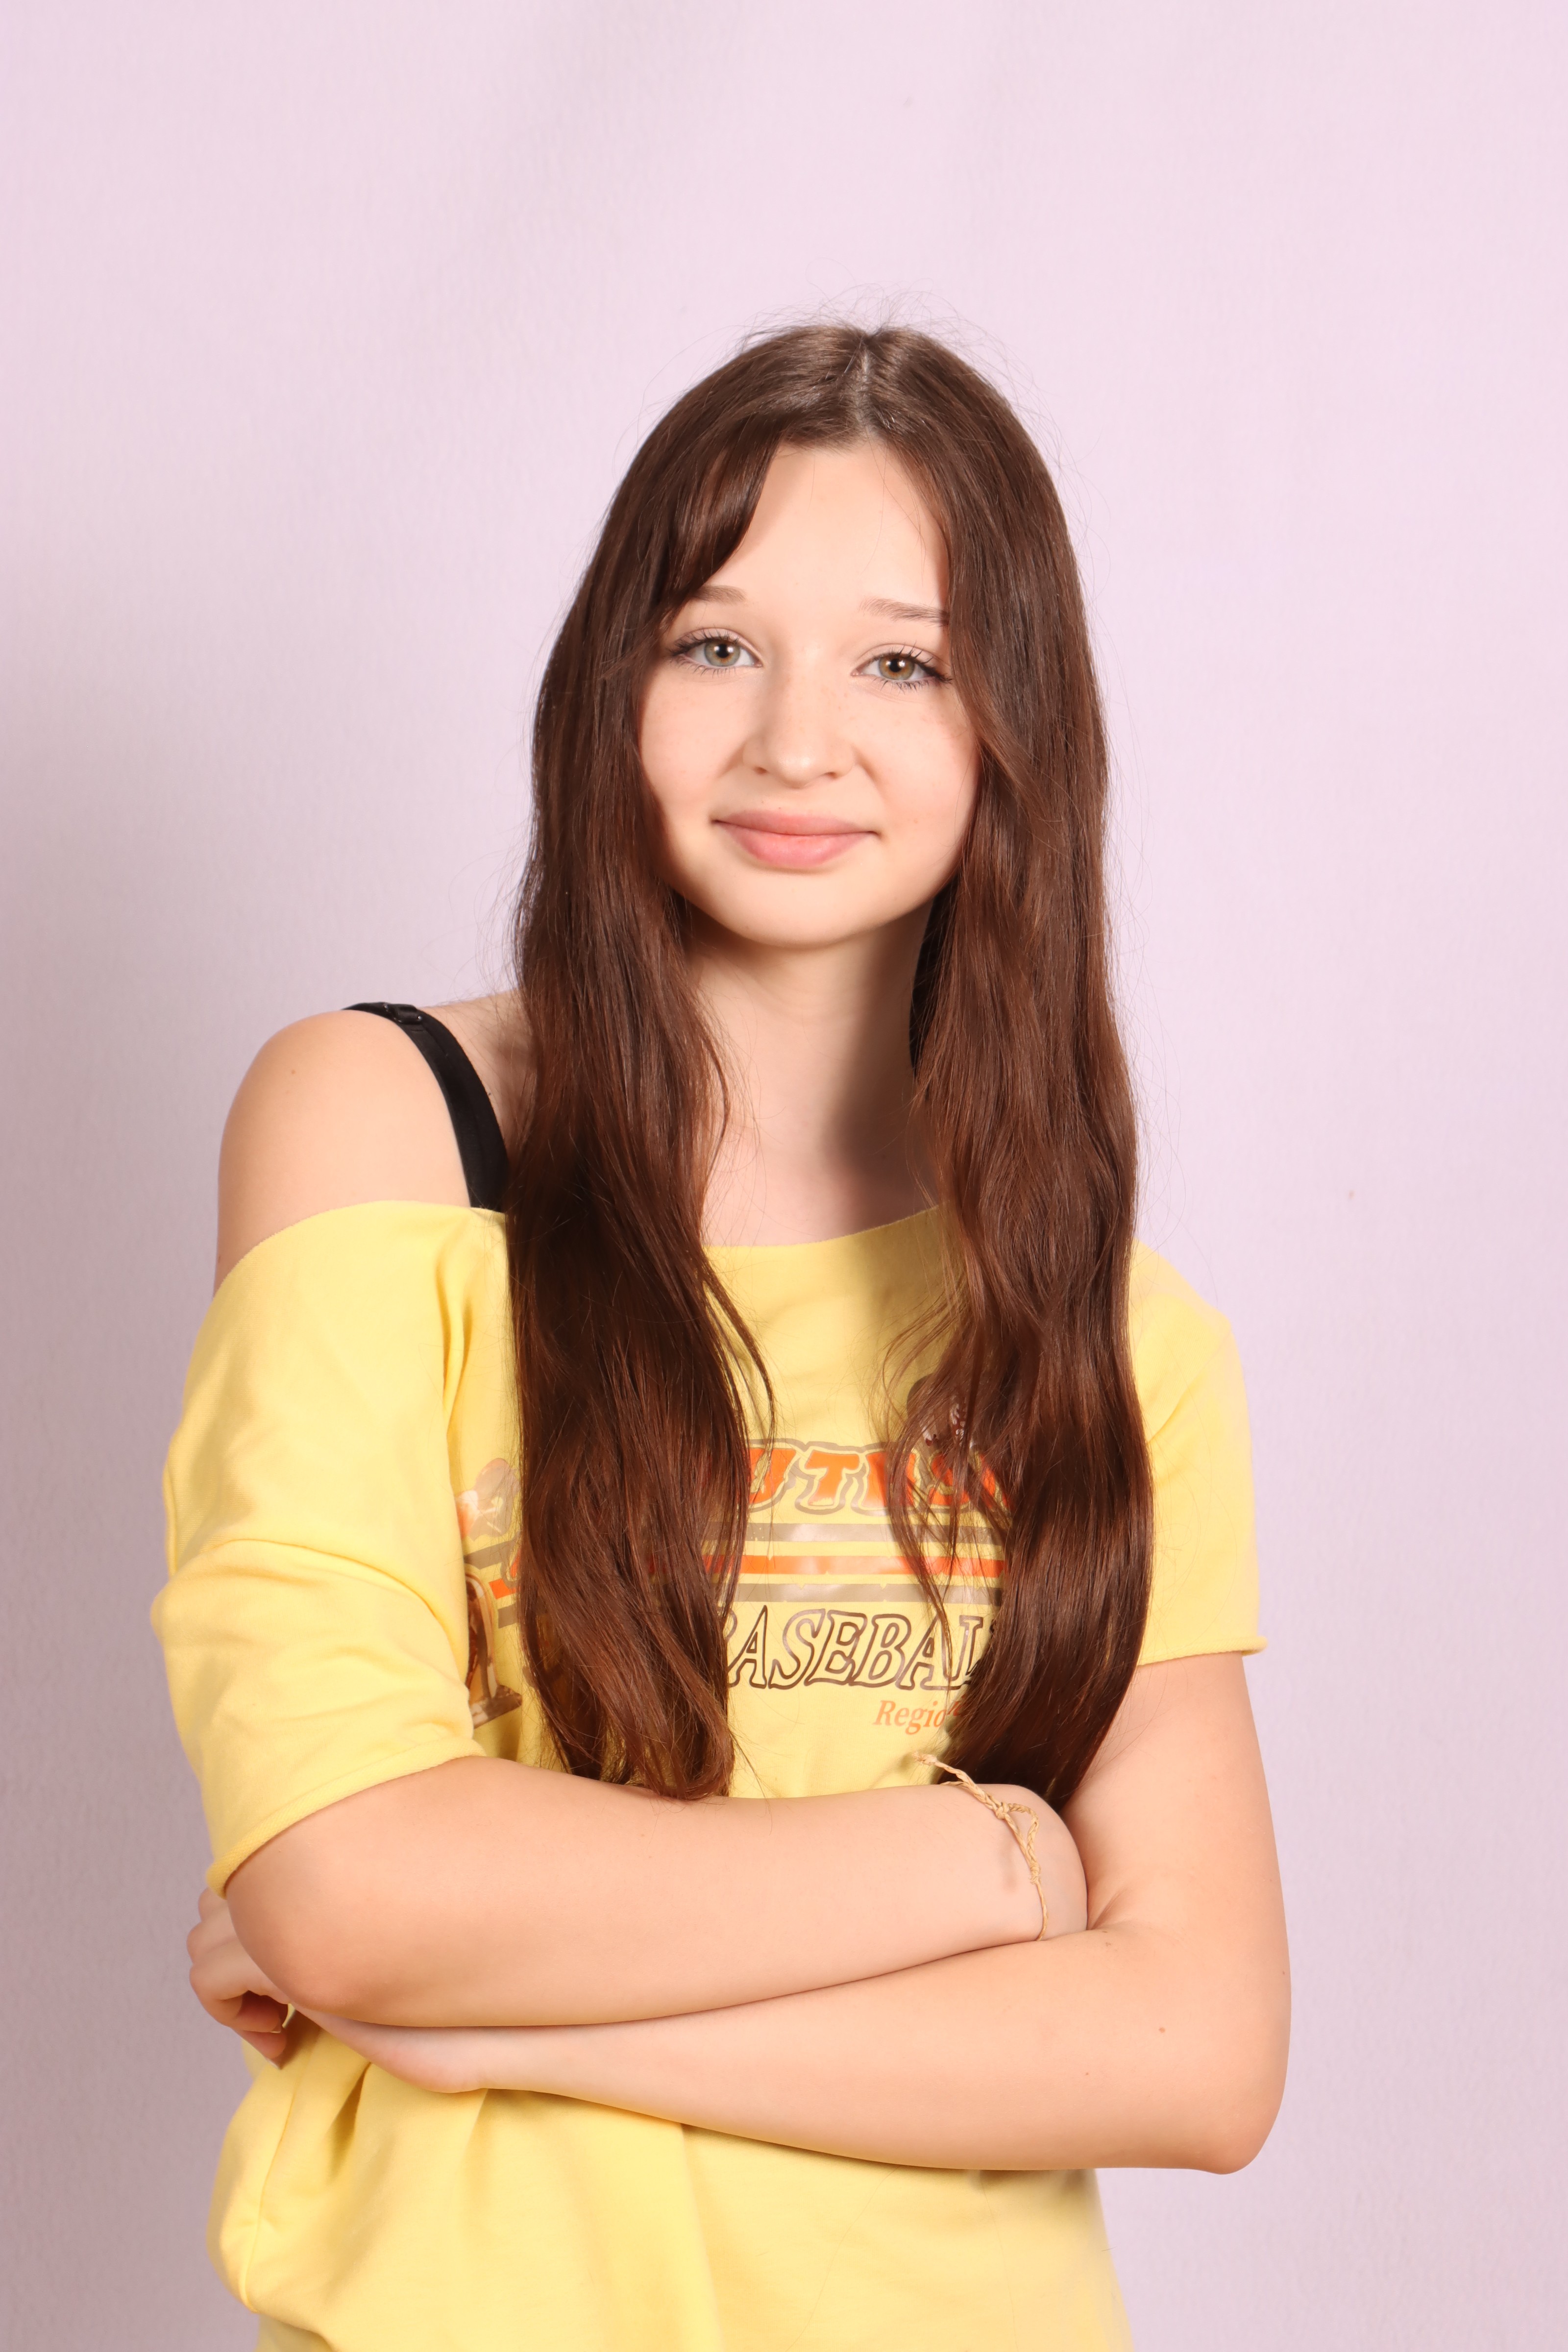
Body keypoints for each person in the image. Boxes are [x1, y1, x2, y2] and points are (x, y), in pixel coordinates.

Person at [159, 322, 1289, 2352]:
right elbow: (350, 1887)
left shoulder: (1105, 1327)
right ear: (612, 689)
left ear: (1013, 727)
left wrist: (493, 2023)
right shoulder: (392, 1131)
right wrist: (990, 1862)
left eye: (901, 664)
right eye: (715, 645)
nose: (797, 742)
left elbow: (1199, 2053)